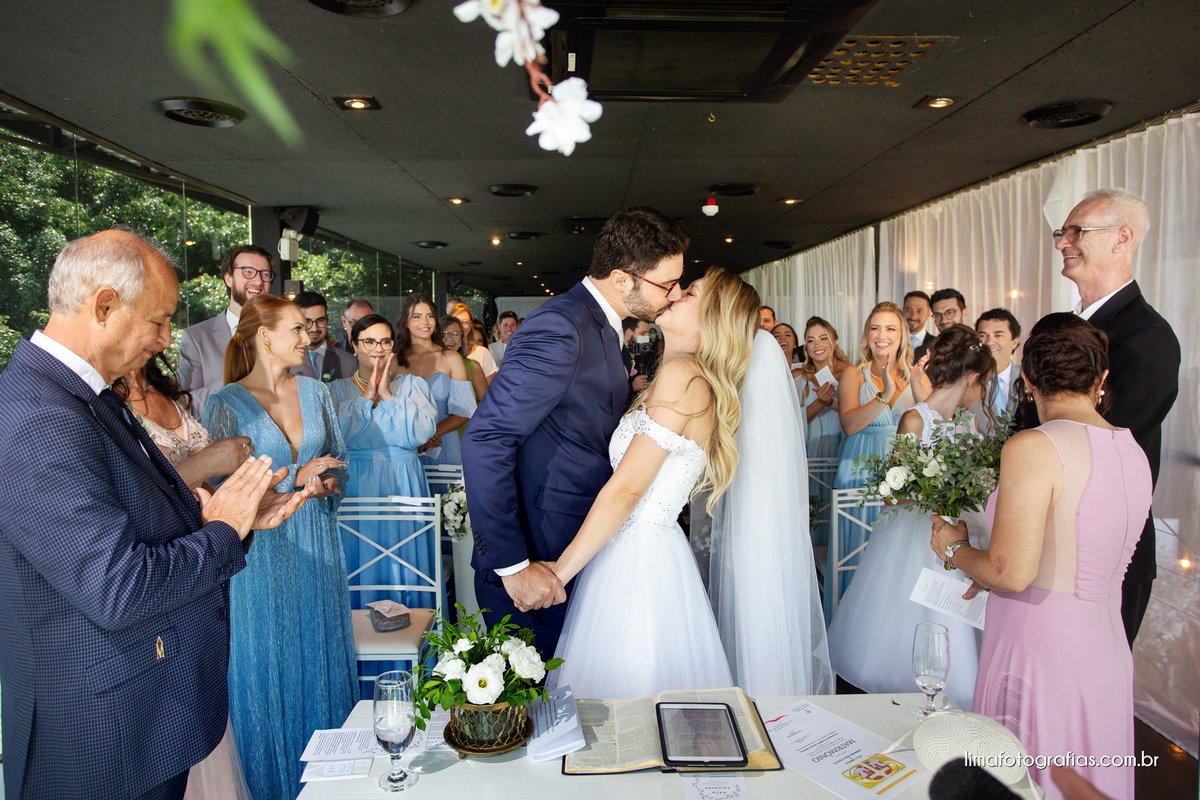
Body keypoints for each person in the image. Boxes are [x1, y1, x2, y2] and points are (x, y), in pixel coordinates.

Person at [0, 230, 311, 800]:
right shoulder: (39, 416)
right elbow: (118, 588)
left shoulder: (83, 396)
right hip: (102, 741)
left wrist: (232, 521)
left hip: (137, 720)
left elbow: (142, 522)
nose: (167, 338)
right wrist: (221, 530)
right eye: (158, 320)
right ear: (103, 306)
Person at [931, 324, 1151, 800]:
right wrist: (987, 569)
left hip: (1038, 649)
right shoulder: (1133, 450)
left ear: (1028, 381)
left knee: (1024, 780)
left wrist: (954, 548)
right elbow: (1074, 550)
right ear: (1101, 379)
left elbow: (1013, 572)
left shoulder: (1034, 446)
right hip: (1106, 649)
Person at [551, 269, 794, 698]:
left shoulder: (683, 376)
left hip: (638, 561)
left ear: (713, 318)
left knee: (628, 699)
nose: (676, 293)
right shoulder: (687, 375)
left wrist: (559, 574)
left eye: (692, 291)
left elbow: (627, 490)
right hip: (639, 552)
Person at [463, 206, 686, 657]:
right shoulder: (562, 326)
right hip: (539, 559)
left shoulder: (602, 325)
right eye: (667, 283)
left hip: (577, 549)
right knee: (535, 716)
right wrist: (512, 566)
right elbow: (486, 438)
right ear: (623, 279)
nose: (675, 293)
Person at [203, 294, 355, 800]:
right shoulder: (224, 404)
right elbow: (222, 499)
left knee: (323, 661)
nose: (306, 336)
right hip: (258, 562)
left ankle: (335, 786)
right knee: (267, 673)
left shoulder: (317, 394)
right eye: (295, 328)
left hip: (319, 549)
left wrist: (326, 482)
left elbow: (340, 468)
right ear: (264, 334)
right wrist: (294, 481)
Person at [827, 325, 995, 709]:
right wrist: (932, 491)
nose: (982, 390)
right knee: (907, 614)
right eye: (982, 381)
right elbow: (891, 494)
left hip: (956, 534)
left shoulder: (965, 423)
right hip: (913, 538)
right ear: (971, 378)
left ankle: (955, 688)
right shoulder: (915, 419)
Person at [115, 354, 254, 800]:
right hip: (164, 571)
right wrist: (208, 460)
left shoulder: (165, 390)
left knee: (202, 707)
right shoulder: (103, 404)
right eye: (154, 319)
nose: (162, 335)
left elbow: (201, 488)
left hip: (205, 562)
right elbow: (134, 494)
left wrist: (245, 500)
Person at [1056, 188, 1180, 645]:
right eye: (1062, 232)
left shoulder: (1148, 337)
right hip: (1047, 542)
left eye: (1076, 231)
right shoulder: (1072, 329)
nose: (1062, 242)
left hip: (1104, 555)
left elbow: (1103, 443)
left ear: (1122, 238)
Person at [327, 314, 438, 658]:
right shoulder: (335, 391)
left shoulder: (413, 386)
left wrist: (387, 394)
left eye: (385, 341)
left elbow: (420, 434)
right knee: (360, 566)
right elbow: (338, 438)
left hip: (404, 483)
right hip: (357, 486)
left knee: (408, 565)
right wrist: (366, 398)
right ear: (354, 345)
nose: (378, 349)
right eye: (369, 342)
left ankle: (416, 661)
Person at [829, 301, 915, 607]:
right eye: (875, 327)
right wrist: (884, 396)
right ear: (867, 335)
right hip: (860, 467)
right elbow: (850, 425)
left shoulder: (914, 376)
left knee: (893, 551)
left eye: (890, 328)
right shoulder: (853, 373)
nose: (882, 334)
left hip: (902, 476)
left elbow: (933, 423)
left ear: (902, 335)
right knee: (856, 553)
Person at [177, 244, 276, 416]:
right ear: (228, 278)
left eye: (265, 274)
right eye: (248, 272)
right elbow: (185, 405)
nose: (258, 281)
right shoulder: (196, 338)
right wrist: (238, 381)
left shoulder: (283, 332)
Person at [394, 295, 477, 467]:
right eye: (417, 316)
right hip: (406, 446)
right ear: (406, 321)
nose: (425, 322)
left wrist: (431, 434)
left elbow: (464, 410)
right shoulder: (394, 361)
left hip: (443, 442)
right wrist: (417, 437)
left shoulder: (452, 358)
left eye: (430, 315)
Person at [796, 317, 851, 548]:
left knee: (839, 509)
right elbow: (793, 421)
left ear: (835, 341)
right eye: (810, 340)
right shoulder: (799, 377)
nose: (817, 344)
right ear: (806, 347)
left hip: (844, 448)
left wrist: (833, 404)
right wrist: (819, 402)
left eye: (823, 338)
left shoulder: (851, 373)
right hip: (810, 451)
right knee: (811, 511)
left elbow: (857, 415)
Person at [972, 308, 1022, 434]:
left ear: (1014, 342)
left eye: (998, 335)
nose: (989, 342)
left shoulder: (1029, 379)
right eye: (983, 336)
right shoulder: (968, 382)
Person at [291, 291, 358, 382]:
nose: (314, 328)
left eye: (320, 320)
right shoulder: (287, 362)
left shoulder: (349, 362)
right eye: (307, 321)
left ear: (327, 319)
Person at [439, 314, 490, 404]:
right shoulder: (430, 365)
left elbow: (485, 403)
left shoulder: (473, 367)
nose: (449, 338)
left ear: (461, 341)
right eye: (445, 333)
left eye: (455, 334)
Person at [450, 302, 500, 384]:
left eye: (465, 322)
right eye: (457, 321)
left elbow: (491, 388)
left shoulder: (482, 353)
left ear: (470, 325)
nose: (461, 325)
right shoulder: (441, 352)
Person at [903, 290, 938, 359]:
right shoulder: (892, 341)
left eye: (920, 311)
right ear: (903, 311)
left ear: (928, 314)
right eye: (909, 310)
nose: (913, 317)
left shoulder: (937, 345)